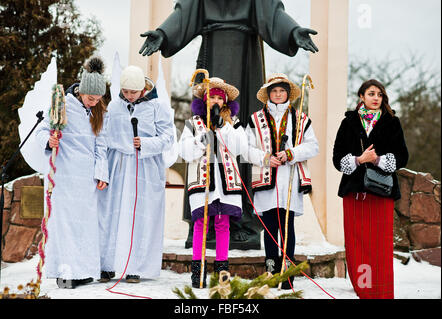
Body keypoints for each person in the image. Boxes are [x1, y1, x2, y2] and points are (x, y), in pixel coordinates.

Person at [140, 0, 319, 250]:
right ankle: (202, 221)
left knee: (244, 131)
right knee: (207, 123)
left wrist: (292, 31)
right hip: (212, 50)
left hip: (248, 57)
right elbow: (184, 14)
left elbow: (273, 14)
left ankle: (245, 220)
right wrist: (163, 34)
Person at [35, 56, 109, 289]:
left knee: (85, 226)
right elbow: (42, 130)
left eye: (98, 99)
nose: (93, 103)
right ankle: (65, 270)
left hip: (87, 179)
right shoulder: (62, 105)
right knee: (65, 224)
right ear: (81, 92)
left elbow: (101, 145)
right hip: (65, 176)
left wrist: (102, 174)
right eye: (90, 98)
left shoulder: (98, 112)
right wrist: (49, 140)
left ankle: (83, 270)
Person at [332, 79, 409, 299]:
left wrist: (377, 160)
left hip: (381, 192)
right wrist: (359, 159)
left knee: (380, 244)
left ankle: (382, 292)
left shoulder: (392, 122)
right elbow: (337, 159)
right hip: (354, 192)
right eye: (371, 94)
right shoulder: (349, 122)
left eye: (380, 95)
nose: (376, 98)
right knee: (357, 242)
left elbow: (403, 156)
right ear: (362, 97)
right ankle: (363, 289)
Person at [98, 65, 174, 283]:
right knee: (112, 215)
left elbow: (169, 137)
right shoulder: (114, 105)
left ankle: (134, 266)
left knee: (140, 217)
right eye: (125, 92)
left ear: (142, 89)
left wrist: (147, 143)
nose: (129, 96)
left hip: (145, 167)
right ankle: (107, 264)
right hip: (118, 165)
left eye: (133, 92)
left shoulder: (157, 106)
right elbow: (103, 134)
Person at [243, 73, 319, 289]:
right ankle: (271, 270)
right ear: (268, 94)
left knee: (287, 226)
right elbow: (246, 148)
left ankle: (288, 273)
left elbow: (313, 146)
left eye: (282, 91)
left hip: (289, 178)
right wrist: (265, 158)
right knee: (269, 225)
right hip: (267, 177)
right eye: (274, 91)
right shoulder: (255, 119)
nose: (278, 94)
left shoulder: (301, 119)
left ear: (288, 94)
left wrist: (291, 153)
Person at [178, 76, 247, 288]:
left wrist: (223, 128)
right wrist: (203, 138)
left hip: (225, 179)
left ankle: (222, 274)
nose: (215, 101)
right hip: (203, 179)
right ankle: (198, 272)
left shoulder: (234, 123)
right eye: (212, 97)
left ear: (225, 101)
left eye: (219, 97)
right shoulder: (193, 123)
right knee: (201, 223)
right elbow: (184, 152)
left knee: (222, 223)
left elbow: (241, 149)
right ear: (205, 100)